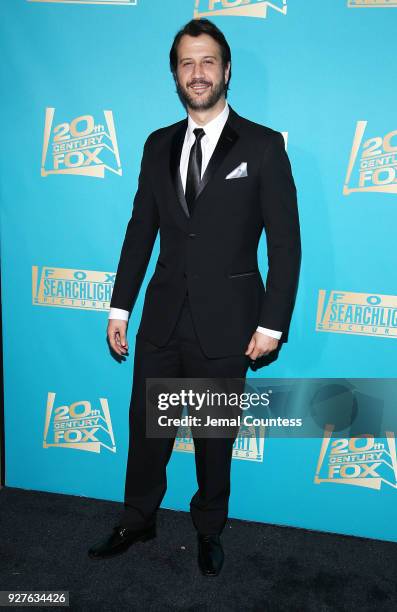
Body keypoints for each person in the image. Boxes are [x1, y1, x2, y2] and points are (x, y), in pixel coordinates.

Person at [88, 18, 301, 577]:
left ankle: (208, 528)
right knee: (145, 430)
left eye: (208, 61)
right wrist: (119, 306)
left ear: (226, 70)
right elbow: (141, 231)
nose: (198, 72)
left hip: (229, 323)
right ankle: (138, 519)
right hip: (161, 318)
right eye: (187, 63)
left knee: (213, 437)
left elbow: (285, 243)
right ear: (175, 75)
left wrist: (272, 323)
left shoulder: (262, 145)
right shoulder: (157, 145)